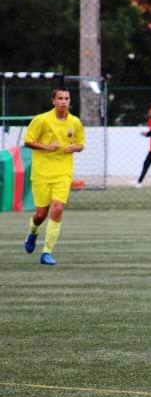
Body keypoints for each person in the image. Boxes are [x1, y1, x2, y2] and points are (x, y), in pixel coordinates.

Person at [22, 87, 85, 266]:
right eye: (60, 98)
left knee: (57, 209)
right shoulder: (41, 120)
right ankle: (33, 233)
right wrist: (47, 147)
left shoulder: (75, 122)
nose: (63, 102)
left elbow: (81, 144)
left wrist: (76, 147)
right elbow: (28, 141)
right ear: (53, 101)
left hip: (63, 172)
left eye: (66, 98)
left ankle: (47, 252)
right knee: (41, 214)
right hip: (42, 172)